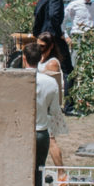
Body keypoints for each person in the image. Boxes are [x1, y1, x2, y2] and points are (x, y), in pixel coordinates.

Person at [22, 38, 67, 174]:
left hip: (22, 130)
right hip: (41, 131)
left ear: (24, 58)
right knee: (39, 169)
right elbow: (54, 109)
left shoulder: (17, 80)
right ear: (40, 57)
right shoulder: (51, 82)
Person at [32, 0, 74, 108]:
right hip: (54, 37)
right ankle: (69, 106)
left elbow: (37, 10)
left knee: (41, 66)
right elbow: (53, 15)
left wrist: (38, 31)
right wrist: (59, 33)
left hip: (45, 35)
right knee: (68, 70)